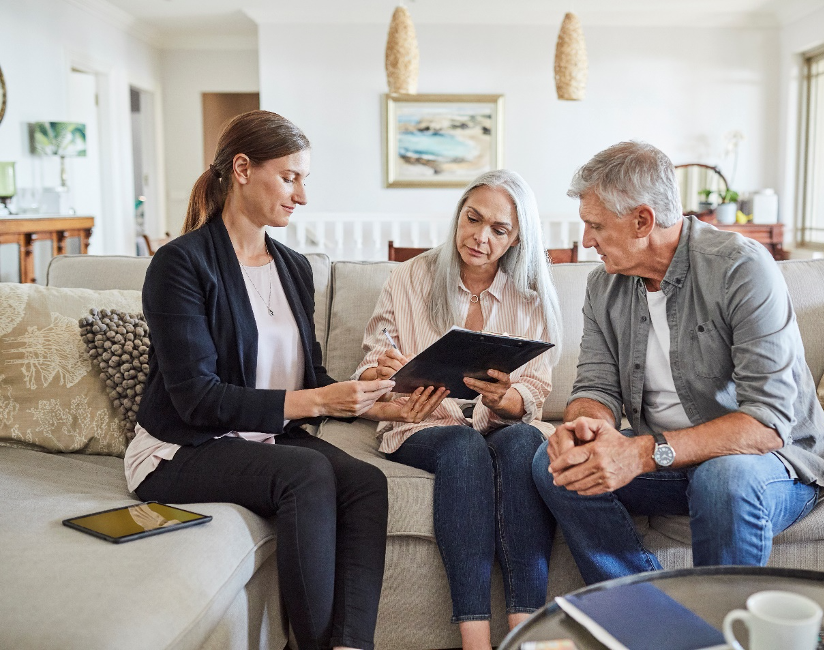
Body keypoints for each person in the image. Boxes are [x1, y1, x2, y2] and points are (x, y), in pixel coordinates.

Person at [128, 110, 443, 650]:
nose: (300, 195)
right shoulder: (181, 264)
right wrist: (322, 398)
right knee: (305, 473)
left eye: (305, 181)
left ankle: (350, 644)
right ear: (243, 169)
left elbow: (311, 379)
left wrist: (376, 404)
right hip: (182, 449)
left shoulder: (294, 267)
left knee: (366, 483)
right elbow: (196, 399)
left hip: (263, 440)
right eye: (290, 177)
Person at [532, 141, 824, 584]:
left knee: (722, 477)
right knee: (552, 462)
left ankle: (718, 631)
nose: (586, 240)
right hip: (670, 461)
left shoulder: (739, 268)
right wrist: (585, 426)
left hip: (769, 461)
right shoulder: (604, 286)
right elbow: (595, 387)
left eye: (595, 225)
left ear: (642, 220)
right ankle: (644, 608)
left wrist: (641, 452)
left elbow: (766, 423)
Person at [354, 169, 562, 650]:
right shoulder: (409, 278)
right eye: (473, 219)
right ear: (458, 215)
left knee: (525, 443)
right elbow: (368, 369)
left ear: (515, 241)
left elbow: (533, 393)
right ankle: (475, 641)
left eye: (499, 230)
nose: (480, 237)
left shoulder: (529, 297)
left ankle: (525, 631)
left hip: (499, 423)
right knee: (464, 447)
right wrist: (385, 370)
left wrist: (502, 397)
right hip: (423, 423)